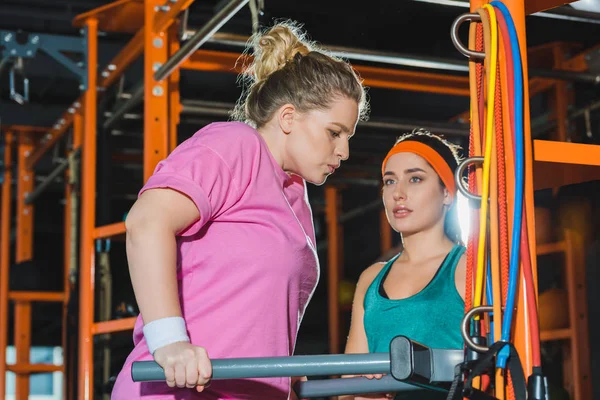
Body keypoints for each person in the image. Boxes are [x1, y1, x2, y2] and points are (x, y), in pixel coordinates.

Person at [111, 20, 368, 400]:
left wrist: (284, 382)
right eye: (334, 132)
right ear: (288, 118)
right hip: (181, 390)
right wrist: (170, 343)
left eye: (348, 137)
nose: (344, 151)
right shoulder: (237, 145)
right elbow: (146, 222)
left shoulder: (295, 194)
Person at [340, 129, 466, 400]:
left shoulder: (467, 268)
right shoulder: (371, 279)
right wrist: (365, 395)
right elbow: (347, 389)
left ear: (447, 193)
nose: (399, 193)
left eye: (415, 179)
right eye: (390, 181)